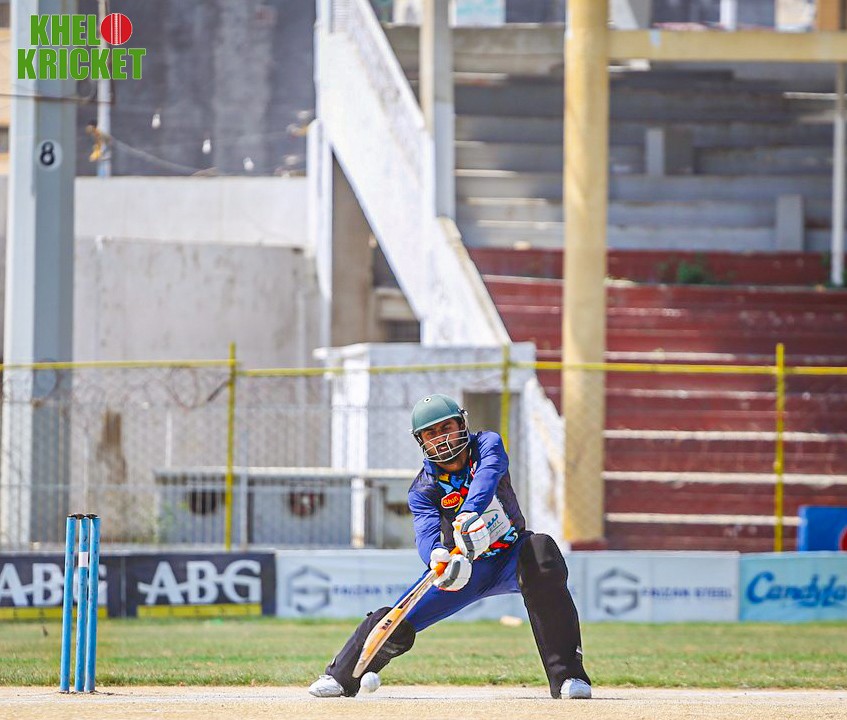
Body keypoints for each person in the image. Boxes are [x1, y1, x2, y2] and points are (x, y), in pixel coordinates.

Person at [308, 394, 592, 699]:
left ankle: (568, 678)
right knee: (395, 622)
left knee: (542, 551)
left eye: (447, 428)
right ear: (420, 441)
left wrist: (468, 515)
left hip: (513, 556)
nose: (441, 439)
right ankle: (340, 677)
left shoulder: (487, 444)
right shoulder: (423, 489)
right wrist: (436, 557)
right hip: (462, 567)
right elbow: (425, 532)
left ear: (462, 425)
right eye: (431, 433)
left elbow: (486, 478)